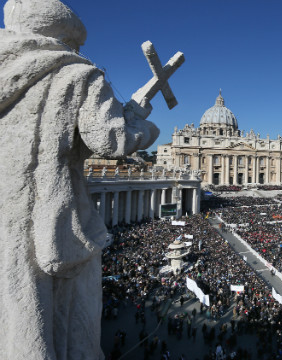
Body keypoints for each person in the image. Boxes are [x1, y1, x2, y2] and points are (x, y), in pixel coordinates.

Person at [0, 0, 160, 359]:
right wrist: (142, 124)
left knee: (12, 303)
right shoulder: (77, 73)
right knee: (59, 311)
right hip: (49, 213)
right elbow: (110, 140)